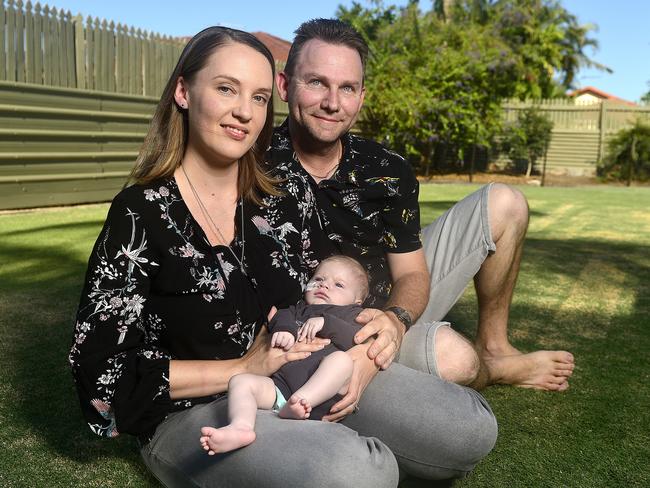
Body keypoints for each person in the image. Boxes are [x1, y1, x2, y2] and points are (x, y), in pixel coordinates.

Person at [69, 26, 407, 488]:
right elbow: (101, 378)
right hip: (197, 411)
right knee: (363, 471)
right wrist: (241, 368)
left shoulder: (284, 196)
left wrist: (361, 351)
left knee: (462, 429)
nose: (244, 112)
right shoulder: (140, 214)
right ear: (184, 92)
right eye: (227, 88)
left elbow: (330, 292)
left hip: (305, 376)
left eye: (261, 98)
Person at [268, 18, 574, 398]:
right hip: (309, 329)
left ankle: (495, 345)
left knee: (506, 202)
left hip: (382, 308)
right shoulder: (250, 161)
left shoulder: (386, 168)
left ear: (361, 97)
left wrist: (395, 322)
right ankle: (492, 368)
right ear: (284, 85)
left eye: (347, 88)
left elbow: (411, 272)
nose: (332, 103)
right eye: (316, 82)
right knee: (458, 361)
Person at [199, 255, 369, 455]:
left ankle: (302, 401)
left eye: (338, 285)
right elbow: (281, 318)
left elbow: (357, 338)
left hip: (321, 395)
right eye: (319, 279)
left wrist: (327, 323)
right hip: (279, 388)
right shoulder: (298, 309)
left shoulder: (352, 315)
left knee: (341, 361)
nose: (324, 286)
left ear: (357, 301)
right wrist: (285, 331)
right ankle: (240, 427)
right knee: (240, 381)